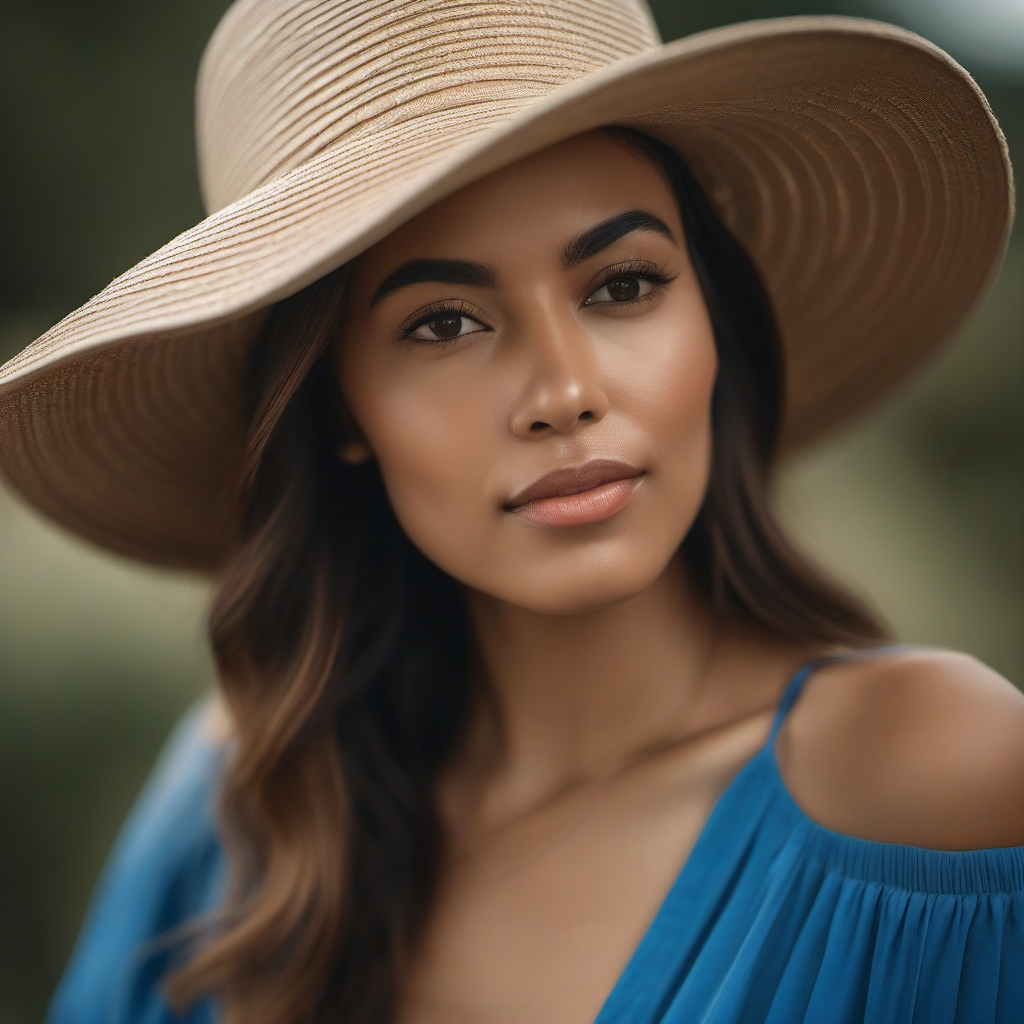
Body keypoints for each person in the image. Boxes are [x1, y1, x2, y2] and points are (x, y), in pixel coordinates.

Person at [0, 1, 1020, 1022]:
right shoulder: (231, 819)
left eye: (622, 284)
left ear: (713, 319)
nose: (565, 390)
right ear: (338, 405)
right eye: (444, 322)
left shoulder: (934, 783)